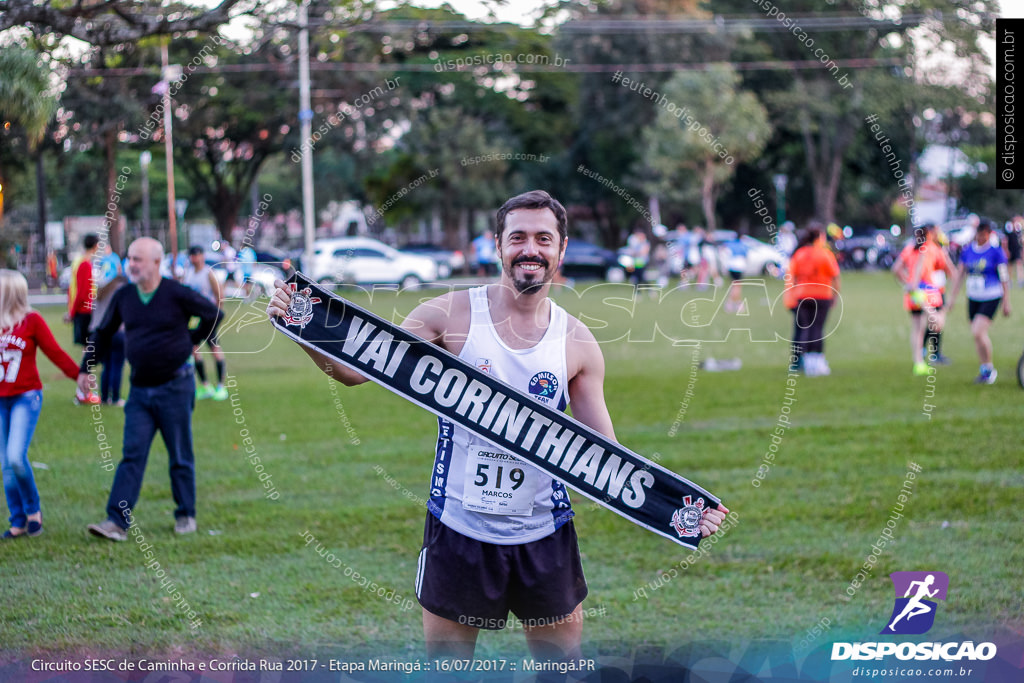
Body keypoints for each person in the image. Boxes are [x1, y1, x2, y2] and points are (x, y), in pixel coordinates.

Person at [267, 190, 729, 662]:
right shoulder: (447, 314)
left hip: (545, 535)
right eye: (518, 237)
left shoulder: (578, 343)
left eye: (543, 238)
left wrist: (680, 509)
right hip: (458, 531)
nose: (530, 248)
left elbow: (604, 460)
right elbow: (356, 370)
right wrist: (302, 329)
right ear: (498, 245)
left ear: (561, 249)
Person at [80, 237, 220, 541]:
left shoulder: (176, 293)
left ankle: (186, 513)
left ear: (156, 263)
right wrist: (85, 368)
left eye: (138, 259)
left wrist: (191, 338)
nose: (132, 264)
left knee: (179, 455)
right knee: (132, 455)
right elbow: (103, 334)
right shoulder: (125, 296)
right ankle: (116, 522)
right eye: (130, 258)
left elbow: (214, 314)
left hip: (176, 387)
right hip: (140, 392)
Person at [0, 271, 81, 539]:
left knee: (15, 457)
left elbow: (54, 351)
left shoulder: (31, 320)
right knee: (5, 464)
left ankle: (33, 510)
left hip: (26, 396)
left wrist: (78, 375)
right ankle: (18, 520)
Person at [946, 219, 1011, 384]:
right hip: (973, 297)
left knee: (978, 332)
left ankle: (990, 369)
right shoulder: (968, 251)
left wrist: (1006, 301)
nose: (981, 237)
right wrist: (952, 298)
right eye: (979, 233)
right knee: (977, 336)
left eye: (984, 234)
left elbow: (1004, 278)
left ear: (989, 234)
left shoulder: (996, 252)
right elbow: (960, 275)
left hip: (991, 296)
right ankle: (985, 369)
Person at [892, 225, 951, 376]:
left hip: (913, 294)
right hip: (926, 292)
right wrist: (915, 284)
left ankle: (918, 362)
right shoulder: (929, 248)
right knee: (936, 323)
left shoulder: (911, 248)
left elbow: (896, 268)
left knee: (917, 329)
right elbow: (925, 268)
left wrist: (908, 284)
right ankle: (927, 358)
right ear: (929, 234)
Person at [784, 225, 840, 376]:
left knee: (804, 329)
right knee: (817, 328)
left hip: (802, 296)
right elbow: (835, 276)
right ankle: (816, 361)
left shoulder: (799, 254)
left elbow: (792, 276)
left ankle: (802, 361)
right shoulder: (825, 254)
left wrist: (792, 295)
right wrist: (835, 295)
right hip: (822, 296)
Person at [184, 246, 228, 401]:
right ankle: (205, 385)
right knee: (194, 349)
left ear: (202, 256)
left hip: (209, 317)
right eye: (192, 255)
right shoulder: (188, 273)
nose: (195, 258)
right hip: (195, 317)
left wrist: (215, 316)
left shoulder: (208, 273)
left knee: (214, 348)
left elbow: (219, 295)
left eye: (197, 255)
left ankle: (221, 386)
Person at [66, 233, 100, 405]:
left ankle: (85, 391)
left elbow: (72, 289)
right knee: (89, 352)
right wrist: (72, 313)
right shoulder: (85, 264)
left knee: (88, 351)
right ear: (95, 246)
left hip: (82, 312)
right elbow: (82, 292)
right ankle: (83, 391)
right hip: (85, 313)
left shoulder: (79, 261)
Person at [91, 245, 127, 406]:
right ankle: (116, 397)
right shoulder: (121, 287)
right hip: (118, 331)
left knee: (106, 365)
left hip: (100, 330)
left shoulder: (98, 288)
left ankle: (105, 397)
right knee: (117, 365)